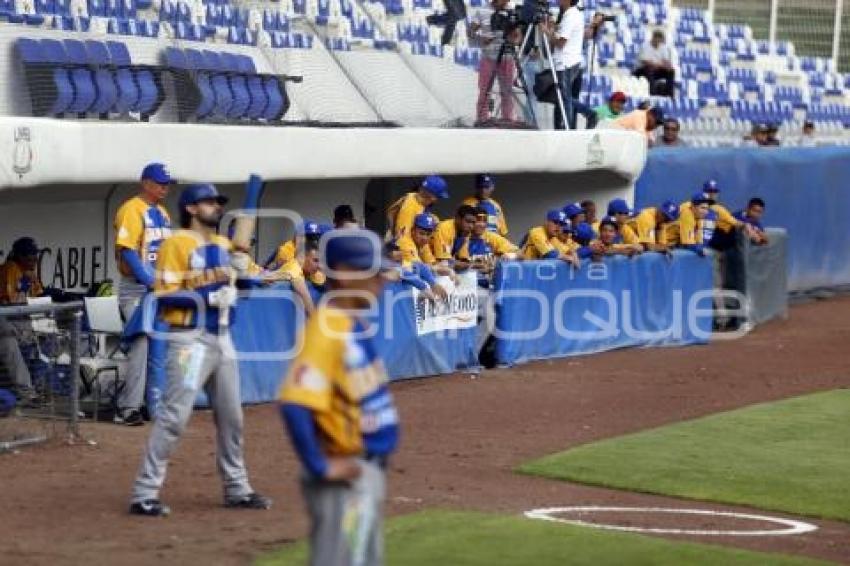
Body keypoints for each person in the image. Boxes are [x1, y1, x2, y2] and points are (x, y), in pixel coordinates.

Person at [129, 182, 271, 517]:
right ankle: (144, 493)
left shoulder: (224, 245)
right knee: (175, 416)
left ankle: (237, 489)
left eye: (218, 202)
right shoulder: (175, 244)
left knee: (232, 418)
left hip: (222, 340)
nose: (216, 206)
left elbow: (241, 280)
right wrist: (207, 297)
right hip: (189, 342)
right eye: (208, 202)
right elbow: (164, 297)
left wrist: (242, 279)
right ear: (191, 208)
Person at [280, 229, 399, 566]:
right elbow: (295, 403)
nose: (382, 281)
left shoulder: (351, 325)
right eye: (374, 273)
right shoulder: (327, 329)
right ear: (346, 273)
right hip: (345, 474)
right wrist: (318, 465)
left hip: (364, 469)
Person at [112, 163, 174, 426]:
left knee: (161, 344)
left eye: (167, 183)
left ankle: (152, 402)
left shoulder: (163, 213)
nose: (164, 188)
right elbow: (126, 250)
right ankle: (127, 408)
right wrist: (148, 279)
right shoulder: (131, 209)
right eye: (160, 183)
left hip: (159, 289)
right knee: (141, 343)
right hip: (136, 288)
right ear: (145, 182)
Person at [541, 0, 598, 130]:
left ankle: (578, 120)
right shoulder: (571, 14)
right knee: (561, 97)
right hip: (568, 61)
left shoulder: (571, 16)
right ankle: (586, 115)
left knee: (564, 99)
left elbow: (561, 43)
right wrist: (553, 28)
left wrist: (546, 31)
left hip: (566, 62)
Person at [470, 0, 517, 124]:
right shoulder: (481, 11)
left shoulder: (511, 12)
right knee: (484, 90)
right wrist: (481, 38)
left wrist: (513, 35)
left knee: (507, 92)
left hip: (507, 57)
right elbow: (470, 32)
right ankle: (482, 119)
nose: (507, 2)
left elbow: (518, 37)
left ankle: (507, 119)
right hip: (488, 57)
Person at [397, 213, 450, 299]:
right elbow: (417, 266)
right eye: (421, 233)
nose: (425, 238)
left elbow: (431, 265)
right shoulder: (405, 241)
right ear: (413, 230)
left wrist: (436, 269)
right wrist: (432, 283)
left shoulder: (423, 244)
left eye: (428, 234)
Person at [466, 209, 518, 286]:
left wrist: (510, 255)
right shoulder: (462, 238)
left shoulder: (492, 237)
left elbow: (520, 253)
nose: (481, 224)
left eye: (484, 221)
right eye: (478, 221)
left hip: (489, 286)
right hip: (466, 286)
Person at [431, 205, 478, 270]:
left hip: (441, 266)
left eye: (473, 223)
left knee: (469, 272)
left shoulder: (465, 232)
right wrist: (473, 265)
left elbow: (463, 259)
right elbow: (444, 261)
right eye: (468, 221)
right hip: (428, 262)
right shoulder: (445, 228)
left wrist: (476, 264)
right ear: (457, 218)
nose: (471, 226)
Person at [0, 237, 44, 305]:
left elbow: (39, 294)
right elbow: (11, 301)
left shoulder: (28, 271)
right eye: (32, 254)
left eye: (35, 254)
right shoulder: (10, 268)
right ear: (20, 256)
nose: (35, 258)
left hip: (21, 313)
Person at [634, 30, 675, 97]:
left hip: (656, 68)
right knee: (650, 68)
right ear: (653, 38)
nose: (658, 42)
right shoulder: (645, 46)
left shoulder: (663, 47)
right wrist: (659, 65)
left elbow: (666, 61)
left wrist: (667, 66)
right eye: (657, 39)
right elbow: (645, 61)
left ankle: (670, 94)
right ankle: (652, 93)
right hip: (641, 70)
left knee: (671, 71)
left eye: (660, 40)